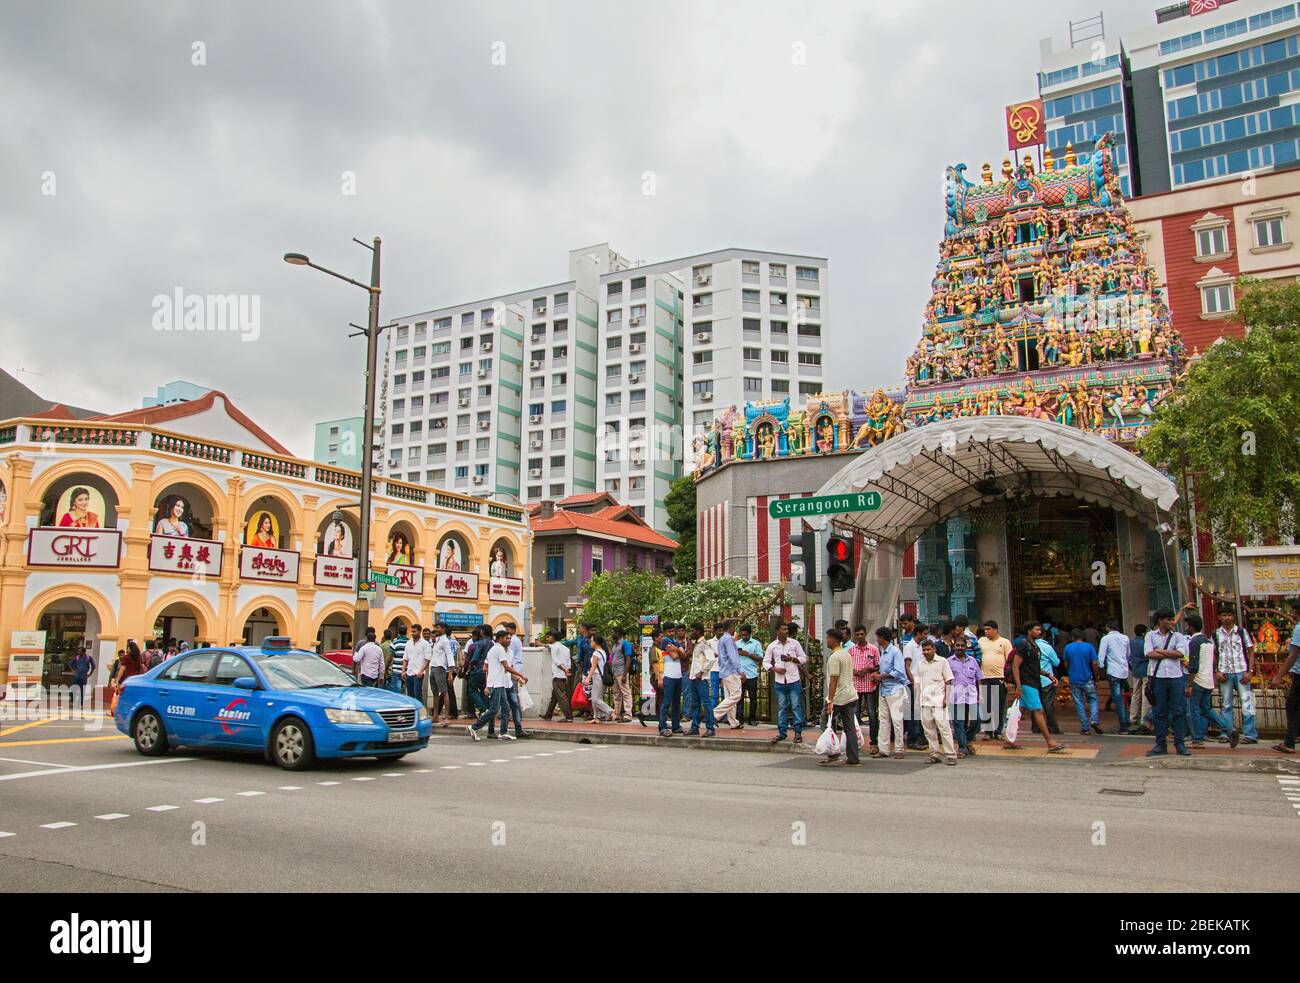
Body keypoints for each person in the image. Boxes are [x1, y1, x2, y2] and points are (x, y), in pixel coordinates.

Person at [1006, 622, 1066, 753]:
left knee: (1018, 711)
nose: (1040, 632)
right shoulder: (1024, 645)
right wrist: (1019, 686)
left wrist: (1048, 674)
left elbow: (1034, 666)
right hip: (1027, 683)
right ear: (1029, 631)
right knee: (1038, 711)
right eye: (1037, 630)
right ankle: (1050, 742)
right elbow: (1015, 666)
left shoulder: (1034, 646)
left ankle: (1009, 739)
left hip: (1034, 681)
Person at [1144, 607, 1191, 757]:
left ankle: (1180, 744)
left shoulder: (1178, 636)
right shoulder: (1150, 635)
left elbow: (1180, 653)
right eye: (1168, 619)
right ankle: (1160, 744)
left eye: (1172, 619)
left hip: (1176, 677)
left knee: (1178, 711)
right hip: (1158, 678)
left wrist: (1160, 651)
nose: (1172, 622)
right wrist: (1169, 654)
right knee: (1159, 711)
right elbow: (1149, 653)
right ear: (1160, 621)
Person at [468, 628, 526, 741]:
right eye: (506, 638)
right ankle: (474, 727)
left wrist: (517, 677)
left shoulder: (499, 650)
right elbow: (507, 667)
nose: (509, 640)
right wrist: (521, 676)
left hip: (500, 683)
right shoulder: (498, 649)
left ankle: (503, 732)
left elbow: (499, 667)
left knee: (506, 707)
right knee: (494, 709)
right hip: (496, 683)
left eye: (510, 638)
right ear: (500, 639)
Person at [1185, 613, 1232, 748]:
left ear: (1191, 627)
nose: (1187, 628)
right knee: (1206, 709)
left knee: (1193, 710)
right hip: (1208, 681)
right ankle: (1229, 729)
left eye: (1188, 626)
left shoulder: (1194, 642)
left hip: (1198, 680)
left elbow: (1194, 666)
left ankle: (1197, 739)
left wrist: (1189, 684)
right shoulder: (1208, 641)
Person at [1214, 604, 1256, 745]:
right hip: (1224, 672)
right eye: (1224, 615)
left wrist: (1250, 671)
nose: (1227, 617)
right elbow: (1213, 654)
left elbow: (1251, 651)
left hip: (1241, 670)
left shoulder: (1241, 632)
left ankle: (1250, 734)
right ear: (1219, 617)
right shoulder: (1215, 634)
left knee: (1247, 703)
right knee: (1226, 704)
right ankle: (1227, 732)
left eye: (1230, 615)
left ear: (1233, 616)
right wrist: (1217, 671)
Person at [819, 628, 861, 767]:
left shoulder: (834, 657)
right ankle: (853, 758)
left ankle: (833, 754)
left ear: (833, 640)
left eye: (828, 638)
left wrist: (830, 700)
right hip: (851, 695)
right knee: (850, 728)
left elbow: (833, 680)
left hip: (838, 697)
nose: (826, 641)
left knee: (827, 724)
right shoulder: (846, 654)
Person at [914, 639, 957, 765]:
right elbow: (917, 683)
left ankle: (951, 755)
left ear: (934, 649)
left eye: (928, 649)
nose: (926, 652)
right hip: (925, 701)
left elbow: (948, 680)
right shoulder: (920, 664)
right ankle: (934, 754)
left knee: (944, 729)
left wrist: (946, 699)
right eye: (924, 650)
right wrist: (917, 700)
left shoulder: (943, 662)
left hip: (939, 701)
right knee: (929, 730)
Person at [764, 621, 807, 745]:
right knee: (782, 707)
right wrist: (774, 669)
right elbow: (765, 662)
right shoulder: (772, 646)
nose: (786, 631)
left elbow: (804, 658)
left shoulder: (794, 643)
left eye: (787, 629)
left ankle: (798, 732)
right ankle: (782, 732)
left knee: (795, 706)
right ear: (777, 631)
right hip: (779, 680)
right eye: (783, 629)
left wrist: (792, 659)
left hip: (793, 679)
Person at [873, 626, 909, 760]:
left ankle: (899, 749)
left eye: (878, 637)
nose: (877, 640)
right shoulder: (883, 652)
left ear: (882, 638)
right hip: (884, 690)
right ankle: (883, 749)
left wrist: (881, 676)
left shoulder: (895, 652)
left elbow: (899, 672)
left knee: (897, 720)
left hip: (895, 690)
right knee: (883, 720)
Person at [1272, 598, 1300, 755]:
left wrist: (1278, 676)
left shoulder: (1299, 629)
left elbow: (1293, 655)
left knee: (1292, 706)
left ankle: (1289, 742)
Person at [978, 620, 1014, 740]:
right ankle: (988, 731)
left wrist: (1009, 680)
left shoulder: (1004, 642)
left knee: (999, 705)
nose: (986, 632)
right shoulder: (981, 641)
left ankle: (998, 731)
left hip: (1000, 678)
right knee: (986, 705)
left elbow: (1010, 662)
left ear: (995, 629)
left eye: (988, 629)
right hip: (984, 677)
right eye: (985, 630)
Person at [1064, 628, 1103, 735]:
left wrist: (1069, 672)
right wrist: (1096, 677)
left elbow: (1066, 663)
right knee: (1093, 699)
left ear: (1072, 637)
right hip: (1087, 678)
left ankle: (1085, 727)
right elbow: (1095, 663)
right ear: (1083, 637)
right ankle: (1094, 719)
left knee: (1079, 702)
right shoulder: (1089, 647)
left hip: (1074, 679)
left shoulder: (1068, 647)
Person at [848, 624, 880, 752]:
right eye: (857, 634)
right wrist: (855, 670)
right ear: (855, 635)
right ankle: (855, 741)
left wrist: (868, 669)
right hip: (856, 685)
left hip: (869, 685)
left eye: (862, 634)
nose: (860, 636)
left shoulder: (873, 649)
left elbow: (878, 666)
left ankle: (874, 742)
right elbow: (847, 665)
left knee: (872, 714)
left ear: (865, 633)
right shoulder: (851, 650)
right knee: (855, 714)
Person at [948, 635, 981, 757]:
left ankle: (966, 740)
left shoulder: (972, 661)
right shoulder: (948, 662)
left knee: (977, 719)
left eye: (962, 646)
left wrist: (980, 695)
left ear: (966, 647)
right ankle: (962, 748)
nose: (960, 648)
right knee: (959, 723)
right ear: (954, 646)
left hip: (971, 696)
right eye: (958, 645)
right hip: (956, 696)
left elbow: (979, 678)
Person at [1098, 619, 1131, 733]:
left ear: (1108, 627)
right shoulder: (1125, 638)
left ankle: (1123, 725)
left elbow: (1101, 656)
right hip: (1123, 671)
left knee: (1118, 699)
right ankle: (1126, 720)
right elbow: (1128, 654)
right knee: (1120, 697)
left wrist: (1100, 668)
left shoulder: (1105, 639)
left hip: (1113, 671)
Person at [685, 624, 717, 737]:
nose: (691, 632)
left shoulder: (704, 644)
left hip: (701, 679)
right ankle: (695, 726)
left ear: (698, 631)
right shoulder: (697, 644)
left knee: (706, 703)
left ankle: (710, 728)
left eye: (693, 630)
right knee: (695, 703)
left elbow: (711, 659)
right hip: (694, 678)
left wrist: (701, 672)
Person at [901, 622, 930, 749]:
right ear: (918, 634)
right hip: (913, 684)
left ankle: (921, 738)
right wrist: (913, 682)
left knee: (921, 711)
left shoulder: (921, 647)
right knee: (914, 712)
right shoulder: (910, 647)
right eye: (924, 634)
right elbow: (907, 666)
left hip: (922, 682)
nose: (926, 636)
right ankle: (913, 740)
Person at [711, 620, 744, 729]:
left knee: (730, 697)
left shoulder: (721, 640)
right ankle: (714, 714)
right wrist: (740, 671)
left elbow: (721, 658)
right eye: (734, 627)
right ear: (731, 627)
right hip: (731, 671)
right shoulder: (729, 639)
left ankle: (733, 722)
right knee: (736, 695)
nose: (735, 630)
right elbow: (733, 656)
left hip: (724, 671)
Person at [657, 624, 685, 737]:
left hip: (678, 676)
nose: (672, 633)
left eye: (673, 631)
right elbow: (675, 656)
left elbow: (684, 656)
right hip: (668, 676)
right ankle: (662, 727)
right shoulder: (664, 641)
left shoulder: (676, 643)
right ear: (665, 633)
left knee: (677, 703)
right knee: (666, 702)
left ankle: (676, 726)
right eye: (669, 631)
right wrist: (679, 651)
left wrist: (676, 650)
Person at [540, 629, 574, 722]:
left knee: (561, 696)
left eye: (549, 636)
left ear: (553, 637)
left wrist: (564, 670)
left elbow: (556, 661)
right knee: (554, 697)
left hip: (558, 674)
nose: (547, 638)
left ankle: (569, 716)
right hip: (563, 675)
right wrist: (567, 671)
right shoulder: (565, 648)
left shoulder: (555, 648)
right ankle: (548, 715)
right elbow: (568, 663)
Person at [1036, 627, 1064, 735]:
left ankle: (1036, 726)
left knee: (1035, 704)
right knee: (1047, 704)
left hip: (1033, 679)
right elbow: (1056, 662)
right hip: (1046, 680)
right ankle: (1052, 727)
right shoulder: (1047, 647)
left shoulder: (1029, 646)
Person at [735, 624, 764, 726]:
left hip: (751, 675)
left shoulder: (756, 644)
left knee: (753, 698)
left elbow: (761, 659)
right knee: (739, 698)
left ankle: (752, 719)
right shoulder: (736, 643)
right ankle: (739, 719)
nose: (744, 637)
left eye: (746, 635)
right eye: (742, 635)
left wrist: (748, 654)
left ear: (750, 633)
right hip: (739, 675)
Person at [429, 624, 456, 726]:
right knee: (435, 693)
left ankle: (447, 717)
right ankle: (435, 716)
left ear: (443, 629)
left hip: (440, 668)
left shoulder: (445, 641)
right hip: (434, 667)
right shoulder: (437, 640)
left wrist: (450, 672)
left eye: (438, 628)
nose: (436, 629)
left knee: (444, 692)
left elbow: (449, 655)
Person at [584, 634, 616, 723]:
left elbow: (593, 667)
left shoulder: (596, 653)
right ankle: (596, 717)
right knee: (597, 698)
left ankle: (611, 711)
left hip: (597, 677)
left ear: (596, 642)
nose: (590, 642)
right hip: (602, 677)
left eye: (591, 641)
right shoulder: (603, 651)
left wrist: (588, 678)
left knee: (595, 699)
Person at [1128, 625, 1152, 734]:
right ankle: (1144, 718)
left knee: (1135, 694)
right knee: (1145, 694)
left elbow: (1129, 656)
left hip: (1135, 670)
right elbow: (1148, 655)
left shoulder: (1131, 642)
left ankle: (1132, 716)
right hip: (1145, 670)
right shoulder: (1144, 643)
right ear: (1143, 633)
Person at [610, 627, 634, 722]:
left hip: (621, 672)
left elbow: (628, 659)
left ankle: (628, 715)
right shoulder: (614, 645)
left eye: (613, 632)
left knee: (626, 693)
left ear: (618, 633)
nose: (611, 634)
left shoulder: (625, 644)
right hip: (615, 672)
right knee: (616, 694)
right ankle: (618, 714)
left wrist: (625, 674)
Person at [403, 622, 430, 704]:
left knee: (417, 694)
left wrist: (421, 671)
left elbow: (427, 659)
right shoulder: (408, 643)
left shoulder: (425, 644)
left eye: (414, 631)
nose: (412, 633)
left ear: (419, 632)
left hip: (418, 673)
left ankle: (421, 713)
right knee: (410, 695)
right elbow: (405, 658)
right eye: (412, 631)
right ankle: (412, 713)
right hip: (409, 672)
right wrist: (403, 670)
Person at [69, 643, 95, 708]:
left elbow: (93, 666)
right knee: (73, 689)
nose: (78, 652)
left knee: (82, 690)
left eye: (79, 651)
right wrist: (73, 670)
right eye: (78, 651)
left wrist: (90, 673)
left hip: (84, 677)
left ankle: (81, 704)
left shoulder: (89, 658)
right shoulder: (77, 657)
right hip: (76, 676)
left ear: (83, 652)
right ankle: (72, 701)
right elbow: (70, 663)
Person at [388, 624, 409, 693]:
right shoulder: (410, 643)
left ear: (398, 632)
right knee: (406, 690)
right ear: (406, 632)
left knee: (396, 690)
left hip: (396, 670)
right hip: (407, 670)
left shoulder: (395, 643)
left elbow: (390, 658)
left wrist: (386, 668)